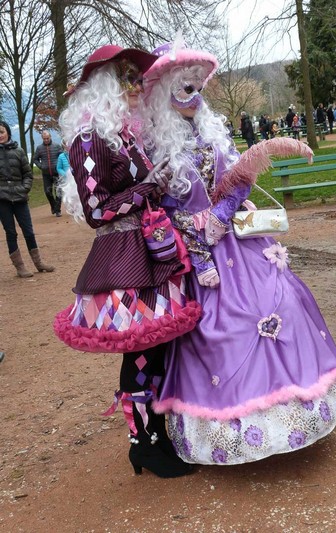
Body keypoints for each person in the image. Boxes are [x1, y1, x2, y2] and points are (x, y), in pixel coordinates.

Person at [142, 41, 336, 466]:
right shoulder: (152, 147)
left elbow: (239, 176)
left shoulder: (212, 133)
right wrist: (193, 230)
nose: (193, 94)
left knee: (284, 303)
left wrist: (220, 215)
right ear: (164, 90)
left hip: (237, 240)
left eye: (197, 87)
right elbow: (155, 201)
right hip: (194, 254)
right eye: (183, 87)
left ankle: (293, 416)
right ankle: (227, 429)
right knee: (219, 327)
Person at [55, 44, 201, 478]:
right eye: (126, 78)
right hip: (122, 255)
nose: (137, 86)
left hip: (148, 249)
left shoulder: (123, 135)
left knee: (155, 348)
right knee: (140, 349)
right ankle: (144, 444)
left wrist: (157, 181)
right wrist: (150, 187)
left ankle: (155, 435)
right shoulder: (88, 139)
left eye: (138, 78)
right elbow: (97, 209)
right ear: (103, 87)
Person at [0, 120, 54, 278]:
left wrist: (24, 189)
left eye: (2, 132)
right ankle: (20, 267)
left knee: (28, 232)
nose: (0, 135)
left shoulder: (19, 151)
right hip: (2, 200)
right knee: (11, 233)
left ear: (8, 132)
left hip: (20, 197)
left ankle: (39, 263)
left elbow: (28, 174)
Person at [33, 130, 63, 216]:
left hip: (57, 173)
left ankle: (58, 211)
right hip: (46, 174)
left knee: (58, 192)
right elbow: (35, 159)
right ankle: (54, 206)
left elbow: (62, 157)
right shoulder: (39, 148)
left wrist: (60, 167)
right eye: (44, 138)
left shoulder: (57, 146)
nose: (46, 140)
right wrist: (41, 166)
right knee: (47, 192)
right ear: (42, 138)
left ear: (50, 137)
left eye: (47, 138)